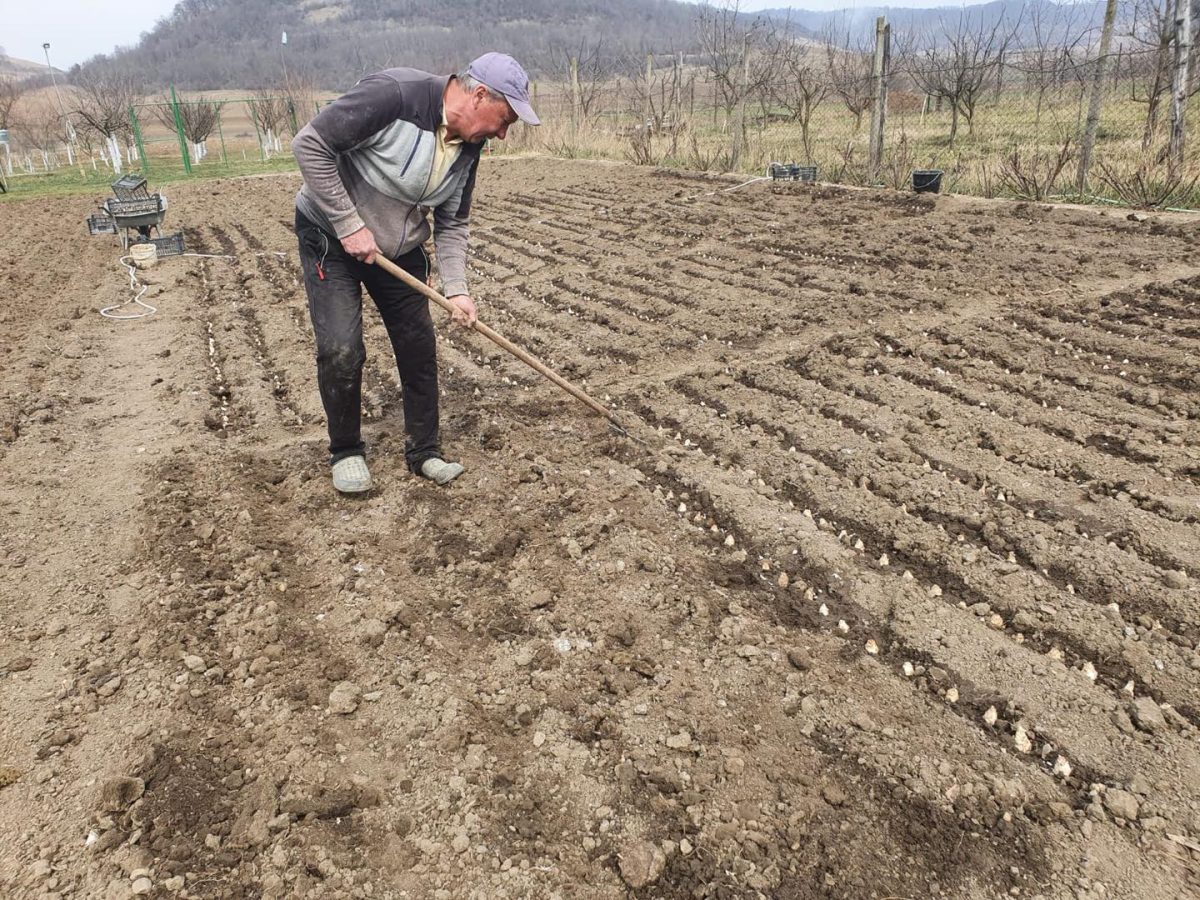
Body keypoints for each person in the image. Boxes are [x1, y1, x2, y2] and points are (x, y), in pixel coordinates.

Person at [291, 53, 540, 493]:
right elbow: (310, 145)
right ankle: (345, 451)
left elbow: (453, 220)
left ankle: (424, 451)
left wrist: (458, 290)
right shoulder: (396, 94)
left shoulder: (470, 146)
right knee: (341, 348)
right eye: (503, 121)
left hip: (398, 248)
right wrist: (349, 224)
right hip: (329, 235)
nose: (501, 134)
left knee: (417, 345)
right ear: (479, 94)